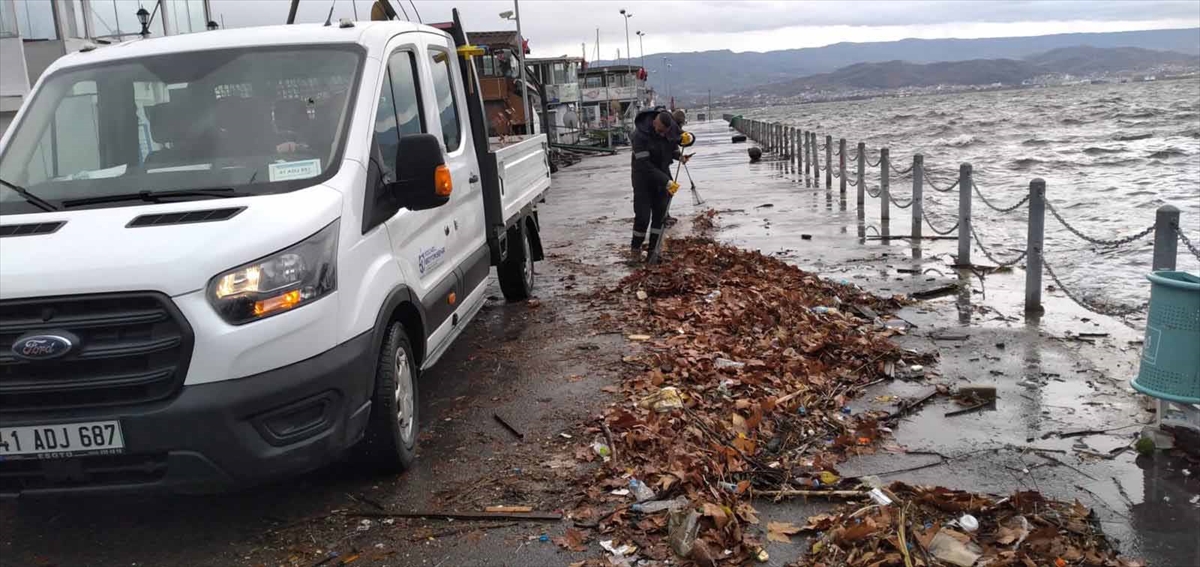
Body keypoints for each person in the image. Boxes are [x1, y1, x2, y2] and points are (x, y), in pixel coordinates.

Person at [628, 108, 681, 263]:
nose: (662, 135)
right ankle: (635, 250)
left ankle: (653, 252)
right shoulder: (639, 136)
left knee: (660, 218)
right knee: (643, 218)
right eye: (660, 131)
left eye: (665, 133)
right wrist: (667, 181)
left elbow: (674, 146)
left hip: (663, 180)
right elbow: (644, 165)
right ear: (654, 123)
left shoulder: (668, 129)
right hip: (643, 181)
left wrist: (680, 154)